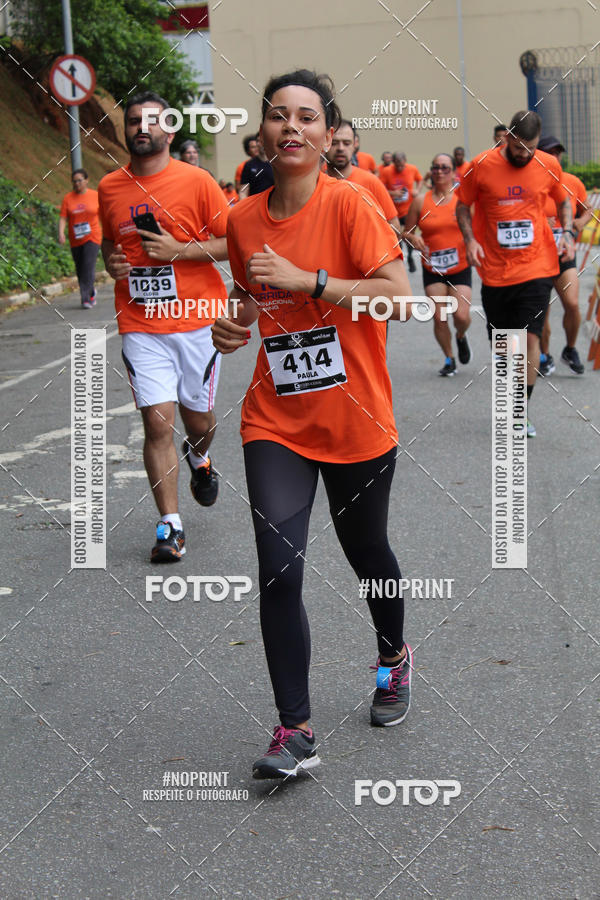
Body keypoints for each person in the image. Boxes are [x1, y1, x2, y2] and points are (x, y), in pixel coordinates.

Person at [212, 69, 414, 780]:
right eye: (278, 116)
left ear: (328, 135)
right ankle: (294, 730)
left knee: (369, 555)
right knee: (278, 570)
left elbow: (401, 300)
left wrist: (315, 282)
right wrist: (230, 328)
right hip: (277, 420)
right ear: (263, 134)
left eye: (305, 117)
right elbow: (246, 300)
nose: (290, 127)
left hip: (356, 418)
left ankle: (393, 656)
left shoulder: (353, 205)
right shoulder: (241, 219)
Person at [98, 90, 230, 561]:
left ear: (169, 130)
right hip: (140, 322)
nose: (141, 128)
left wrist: (179, 251)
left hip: (197, 323)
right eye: (133, 120)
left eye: (151, 121)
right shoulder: (110, 187)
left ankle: (199, 456)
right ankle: (170, 527)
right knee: (157, 423)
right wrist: (112, 263)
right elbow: (110, 244)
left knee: (199, 421)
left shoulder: (197, 182)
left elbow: (231, 242)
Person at [456, 110, 574, 438]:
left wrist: (568, 234)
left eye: (531, 149)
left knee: (530, 337)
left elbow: (564, 201)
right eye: (519, 148)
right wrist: (469, 241)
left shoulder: (548, 164)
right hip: (495, 270)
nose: (524, 155)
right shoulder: (481, 165)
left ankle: (520, 411)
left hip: (537, 266)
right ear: (506, 138)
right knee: (505, 344)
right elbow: (462, 205)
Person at [403, 153, 472, 376]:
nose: (439, 172)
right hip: (432, 267)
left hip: (460, 266)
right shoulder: (421, 201)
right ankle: (449, 358)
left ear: (453, 171)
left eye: (444, 168)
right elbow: (407, 232)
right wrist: (414, 239)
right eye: (435, 168)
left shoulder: (462, 198)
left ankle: (461, 336)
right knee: (439, 316)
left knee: (461, 316)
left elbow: (477, 225)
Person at [537, 135, 591, 376]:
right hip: (537, 258)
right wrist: (539, 221)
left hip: (564, 254)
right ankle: (544, 355)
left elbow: (588, 208)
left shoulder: (572, 182)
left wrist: (580, 221)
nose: (556, 157)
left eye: (558, 153)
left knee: (572, 303)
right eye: (550, 153)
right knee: (542, 311)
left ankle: (569, 349)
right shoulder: (532, 184)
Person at [325, 120, 401, 233]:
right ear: (325, 142)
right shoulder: (312, 182)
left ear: (355, 144)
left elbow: (395, 228)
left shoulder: (371, 182)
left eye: (346, 143)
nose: (340, 148)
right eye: (334, 143)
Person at [58, 169, 101, 308]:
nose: (77, 184)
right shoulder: (68, 198)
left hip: (92, 236)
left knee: (88, 265)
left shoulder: (95, 195)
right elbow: (63, 217)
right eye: (74, 181)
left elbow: (104, 214)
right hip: (75, 238)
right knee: (80, 268)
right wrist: (61, 233)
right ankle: (91, 290)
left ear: (86, 180)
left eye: (80, 180)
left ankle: (86, 299)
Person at [380, 152, 423, 272]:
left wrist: (417, 190)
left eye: (401, 165)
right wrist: (394, 193)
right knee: (396, 236)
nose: (399, 168)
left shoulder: (412, 169)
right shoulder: (387, 171)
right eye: (397, 165)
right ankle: (400, 260)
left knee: (409, 234)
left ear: (405, 161)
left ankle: (410, 256)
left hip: (409, 210)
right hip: (393, 211)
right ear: (393, 163)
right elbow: (380, 189)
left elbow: (420, 179)